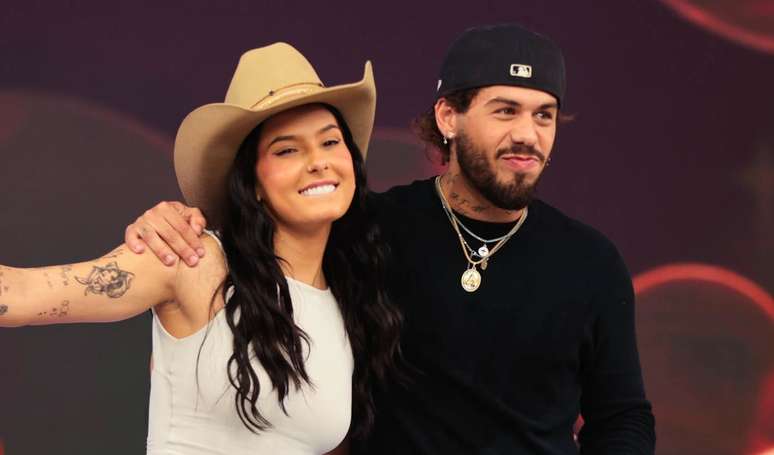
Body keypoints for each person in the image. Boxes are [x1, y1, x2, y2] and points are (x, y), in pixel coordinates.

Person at [123, 24, 657, 454]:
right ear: (448, 117)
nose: (527, 135)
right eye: (505, 111)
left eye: (544, 115)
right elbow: (255, 243)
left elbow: (623, 417)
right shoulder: (364, 228)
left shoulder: (591, 262)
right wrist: (169, 223)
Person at [0, 42, 404, 455]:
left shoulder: (346, 300)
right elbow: (19, 295)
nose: (318, 161)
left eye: (330, 142)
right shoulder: (195, 259)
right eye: (287, 149)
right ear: (252, 182)